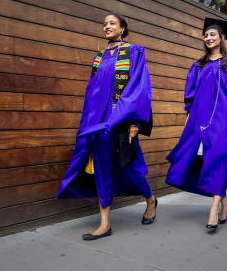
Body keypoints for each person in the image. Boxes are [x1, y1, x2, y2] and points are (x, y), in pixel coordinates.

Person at [56, 12, 157, 241]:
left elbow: (139, 86)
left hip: (122, 120)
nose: (107, 27)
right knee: (103, 169)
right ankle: (105, 223)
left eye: (112, 23)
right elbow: (91, 93)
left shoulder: (134, 51)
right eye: (104, 24)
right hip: (100, 124)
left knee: (129, 169)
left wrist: (133, 120)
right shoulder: (99, 57)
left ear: (123, 28)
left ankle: (150, 199)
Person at [165, 18, 227, 228]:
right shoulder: (198, 66)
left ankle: (214, 209)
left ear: (222, 37)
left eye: (213, 34)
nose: (208, 38)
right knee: (202, 160)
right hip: (198, 119)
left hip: (224, 120)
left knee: (219, 159)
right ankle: (225, 204)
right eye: (206, 35)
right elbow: (191, 96)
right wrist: (188, 117)